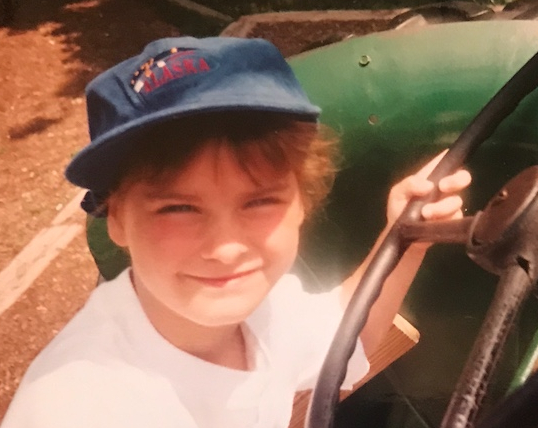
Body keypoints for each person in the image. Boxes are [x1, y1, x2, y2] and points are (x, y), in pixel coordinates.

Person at [0, 36, 471, 428]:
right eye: (178, 208)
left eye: (260, 201)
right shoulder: (78, 408)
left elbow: (342, 339)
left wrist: (403, 238)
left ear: (301, 203)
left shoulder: (263, 311)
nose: (226, 248)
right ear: (116, 218)